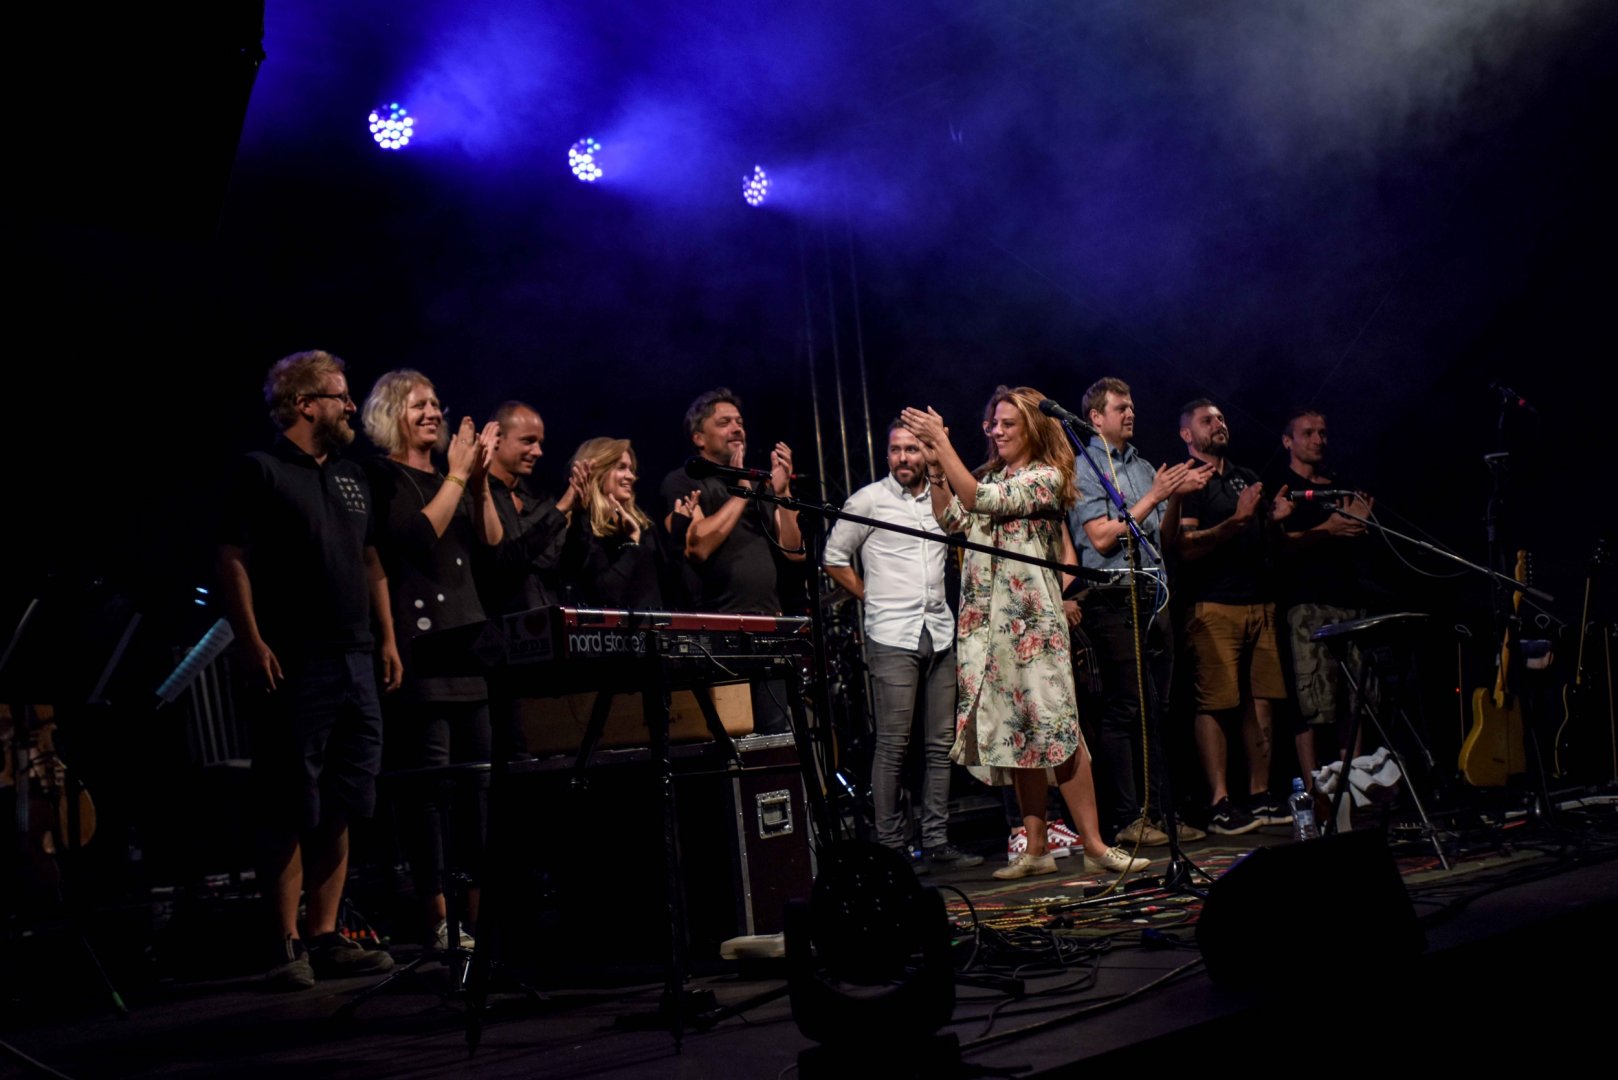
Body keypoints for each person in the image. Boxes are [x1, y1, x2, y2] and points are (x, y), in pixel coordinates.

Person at [900, 387, 1150, 880]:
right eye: (993, 423)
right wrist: (935, 468)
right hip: (989, 628)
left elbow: (979, 500)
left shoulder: (1047, 476)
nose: (996, 431)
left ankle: (1095, 844)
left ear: (1032, 427)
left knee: (1058, 731)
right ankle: (1036, 848)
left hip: (1033, 625)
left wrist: (943, 446)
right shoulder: (993, 475)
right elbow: (951, 517)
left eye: (1007, 423)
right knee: (1018, 734)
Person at [217, 350, 400, 990]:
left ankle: (325, 935)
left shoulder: (352, 475)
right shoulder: (261, 471)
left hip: (356, 658)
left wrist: (387, 638)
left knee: (345, 800)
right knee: (289, 801)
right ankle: (284, 941)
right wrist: (251, 639)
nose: (351, 406)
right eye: (340, 396)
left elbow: (371, 561)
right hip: (297, 661)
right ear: (304, 404)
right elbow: (232, 558)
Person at [360, 370, 499, 952]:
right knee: (430, 792)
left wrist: (479, 484)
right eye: (419, 404)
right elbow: (414, 539)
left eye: (437, 403)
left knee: (478, 789)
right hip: (422, 652)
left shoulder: (452, 480)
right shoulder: (382, 476)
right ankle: (440, 918)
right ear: (391, 412)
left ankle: (482, 920)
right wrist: (460, 476)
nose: (433, 412)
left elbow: (491, 544)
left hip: (468, 649)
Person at [824, 420, 982, 872]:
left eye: (912, 449)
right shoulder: (868, 500)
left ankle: (936, 839)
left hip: (939, 630)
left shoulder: (941, 497)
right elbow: (833, 557)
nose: (903, 458)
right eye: (896, 450)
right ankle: (891, 846)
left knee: (940, 744)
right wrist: (869, 595)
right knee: (894, 745)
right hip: (892, 635)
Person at [1068, 377, 1211, 846]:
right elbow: (1099, 539)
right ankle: (1129, 818)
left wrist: (1178, 494)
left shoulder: (1144, 465)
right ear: (1096, 418)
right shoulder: (1085, 467)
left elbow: (1164, 539)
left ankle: (1161, 813)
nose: (1130, 413)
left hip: (1155, 594)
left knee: (1159, 709)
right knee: (1126, 707)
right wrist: (1154, 497)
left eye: (1131, 406)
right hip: (1114, 597)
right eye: (1120, 408)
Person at [1164, 399, 1294, 835]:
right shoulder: (1190, 480)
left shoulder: (1245, 476)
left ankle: (1260, 793)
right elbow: (1184, 547)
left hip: (1259, 601)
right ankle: (1219, 800)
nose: (1218, 424)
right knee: (1216, 702)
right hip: (1213, 603)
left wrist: (1275, 521)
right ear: (1187, 434)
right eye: (1207, 420)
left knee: (1262, 699)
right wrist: (1236, 521)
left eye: (1221, 418)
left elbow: (1264, 538)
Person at [660, 388, 804, 733]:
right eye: (724, 422)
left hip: (768, 627)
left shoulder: (759, 486)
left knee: (777, 738)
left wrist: (782, 493)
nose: (737, 428)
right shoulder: (686, 479)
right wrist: (743, 491)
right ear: (699, 438)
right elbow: (698, 547)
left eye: (739, 421)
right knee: (728, 737)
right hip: (718, 632)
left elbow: (794, 550)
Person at [1269, 408, 1374, 791]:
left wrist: (1361, 525)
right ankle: (1314, 790)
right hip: (1305, 603)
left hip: (1349, 599)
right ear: (1288, 441)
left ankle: (1353, 783)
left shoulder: (1341, 486)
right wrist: (1327, 529)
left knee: (1352, 698)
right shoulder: (1282, 489)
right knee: (1311, 699)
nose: (1318, 440)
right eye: (1309, 433)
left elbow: (1361, 540)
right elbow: (1277, 547)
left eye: (1323, 433)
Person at [561, 437, 696, 609]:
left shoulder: (643, 524)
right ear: (598, 471)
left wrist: (678, 535)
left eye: (631, 469)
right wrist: (631, 544)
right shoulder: (580, 528)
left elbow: (671, 590)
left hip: (653, 624)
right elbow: (605, 594)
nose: (631, 476)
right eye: (621, 467)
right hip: (609, 626)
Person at [474, 401, 579, 618]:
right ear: (496, 438)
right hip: (501, 626)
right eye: (528, 441)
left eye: (540, 442)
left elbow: (561, 566)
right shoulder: (476, 498)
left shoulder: (540, 501)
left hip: (548, 623)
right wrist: (561, 510)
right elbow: (504, 563)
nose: (538, 451)